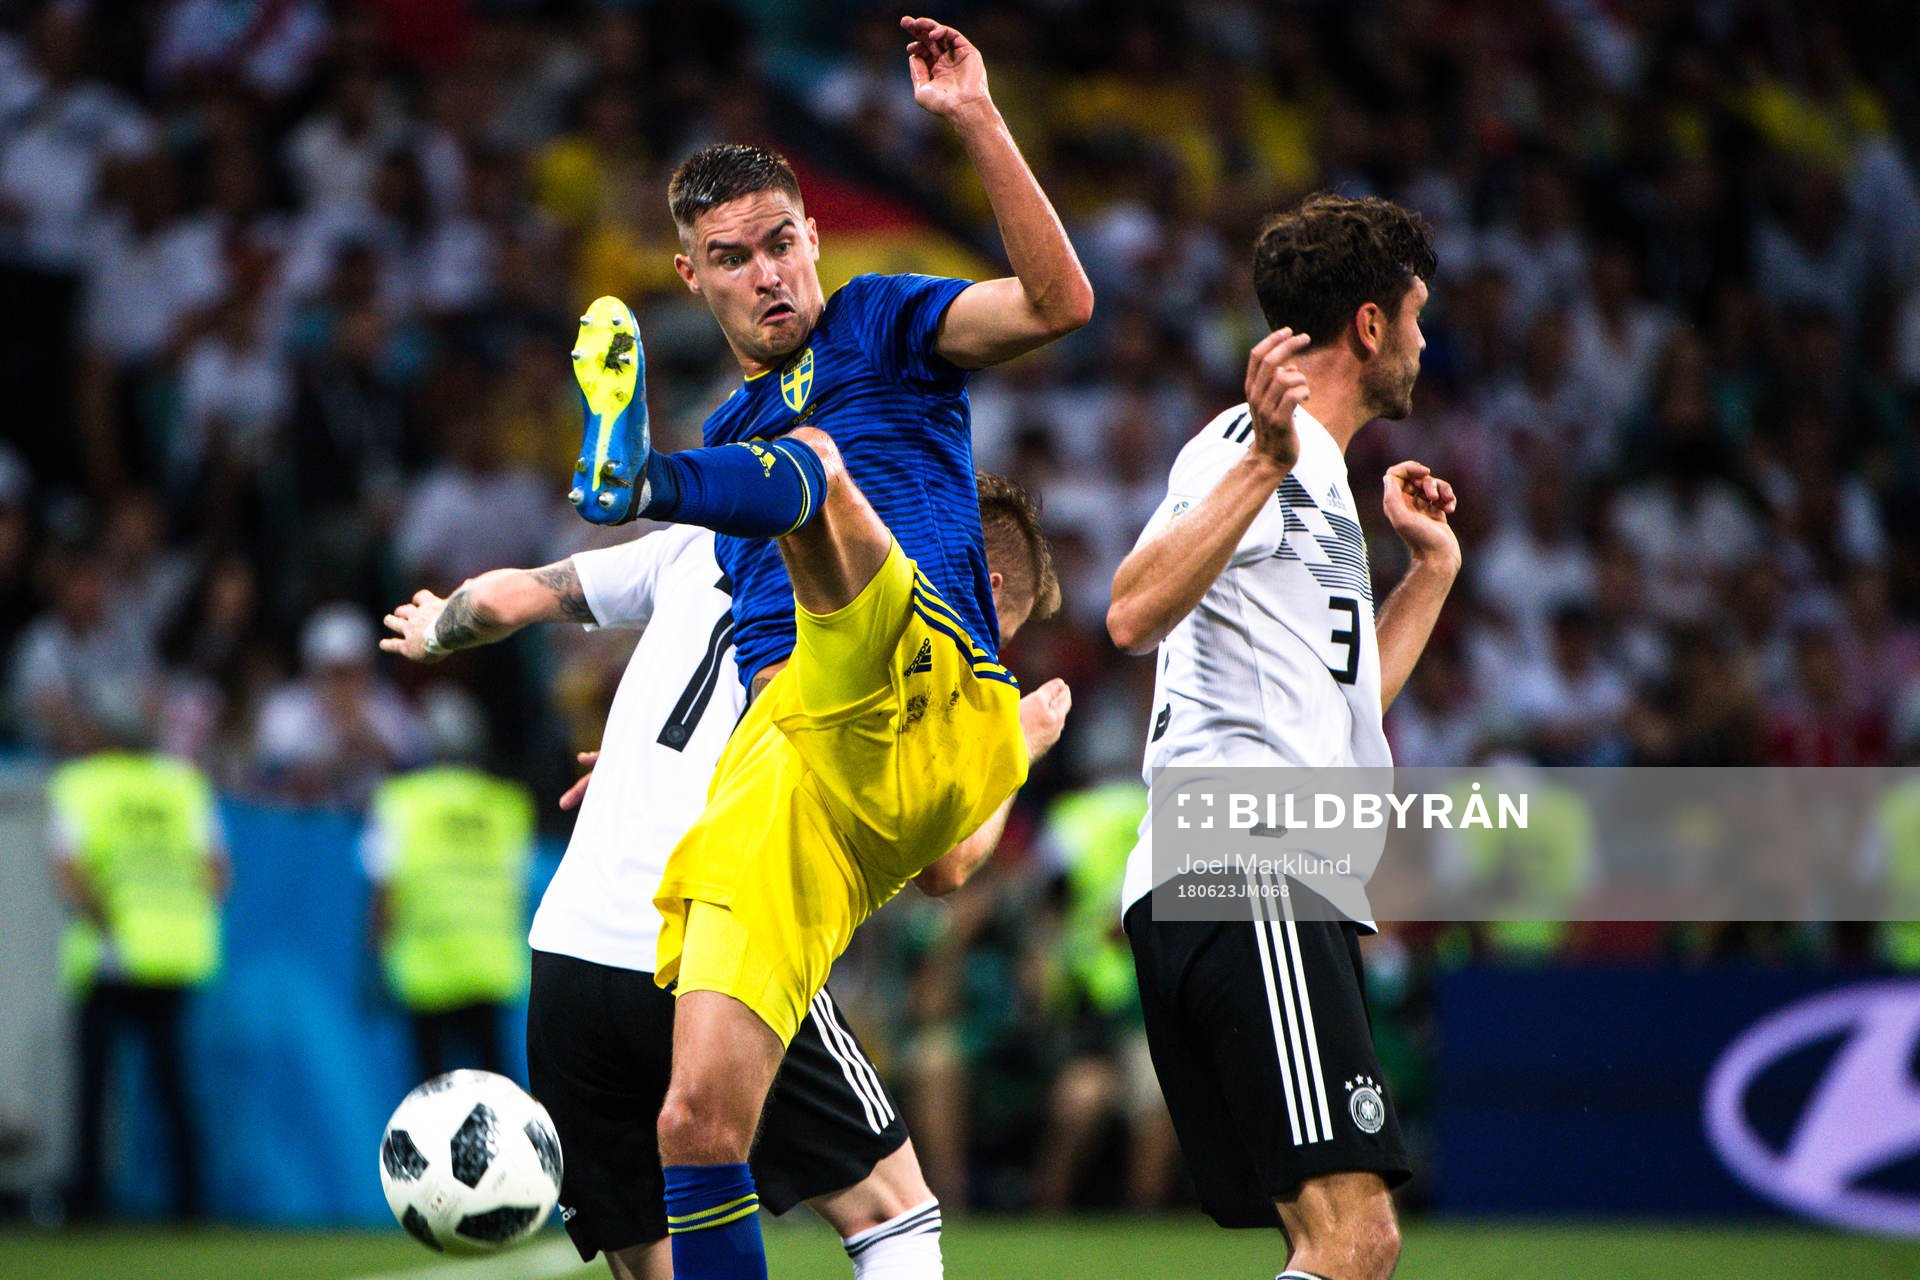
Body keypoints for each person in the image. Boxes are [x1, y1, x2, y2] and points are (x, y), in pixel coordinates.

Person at [399, 18, 1089, 1280]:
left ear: (815, 238)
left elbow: (1061, 304)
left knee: (819, 474)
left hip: (903, 665)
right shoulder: (736, 451)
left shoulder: (881, 325)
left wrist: (978, 119)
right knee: (696, 1124)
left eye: (782, 243)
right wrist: (647, 758)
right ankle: (1001, 734)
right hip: (796, 763)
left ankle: (632, 474)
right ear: (691, 274)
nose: (769, 273)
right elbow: (932, 859)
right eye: (735, 257)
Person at [382, 476, 1071, 1280]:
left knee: (656, 1260)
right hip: (711, 937)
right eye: (1004, 627)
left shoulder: (704, 544)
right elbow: (945, 864)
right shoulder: (907, 643)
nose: (992, 647)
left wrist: (437, 629)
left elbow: (512, 599)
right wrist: (1015, 750)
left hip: (568, 956)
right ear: (985, 586)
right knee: (896, 1215)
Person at [1106, 193, 1457, 1280]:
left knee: (1322, 1240)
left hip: (1251, 878)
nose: (1424, 340)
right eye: (1416, 314)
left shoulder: (1315, 478)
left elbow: (1351, 702)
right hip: (1247, 870)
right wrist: (1259, 460)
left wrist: (1432, 571)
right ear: (1367, 325)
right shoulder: (1263, 448)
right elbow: (1128, 611)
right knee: (1360, 1235)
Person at [50, 747, 229, 1220]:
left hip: (111, 953)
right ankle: (190, 1203)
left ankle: (89, 1203)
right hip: (170, 952)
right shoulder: (183, 786)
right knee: (172, 1084)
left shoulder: (83, 782)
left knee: (95, 1086)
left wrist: (108, 922)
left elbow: (68, 870)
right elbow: (217, 874)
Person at [363, 751, 535, 1081]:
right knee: (494, 1084)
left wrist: (374, 956)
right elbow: (520, 883)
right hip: (488, 964)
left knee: (431, 1088)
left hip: (426, 967)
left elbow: (385, 888)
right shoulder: (504, 805)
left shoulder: (403, 800)